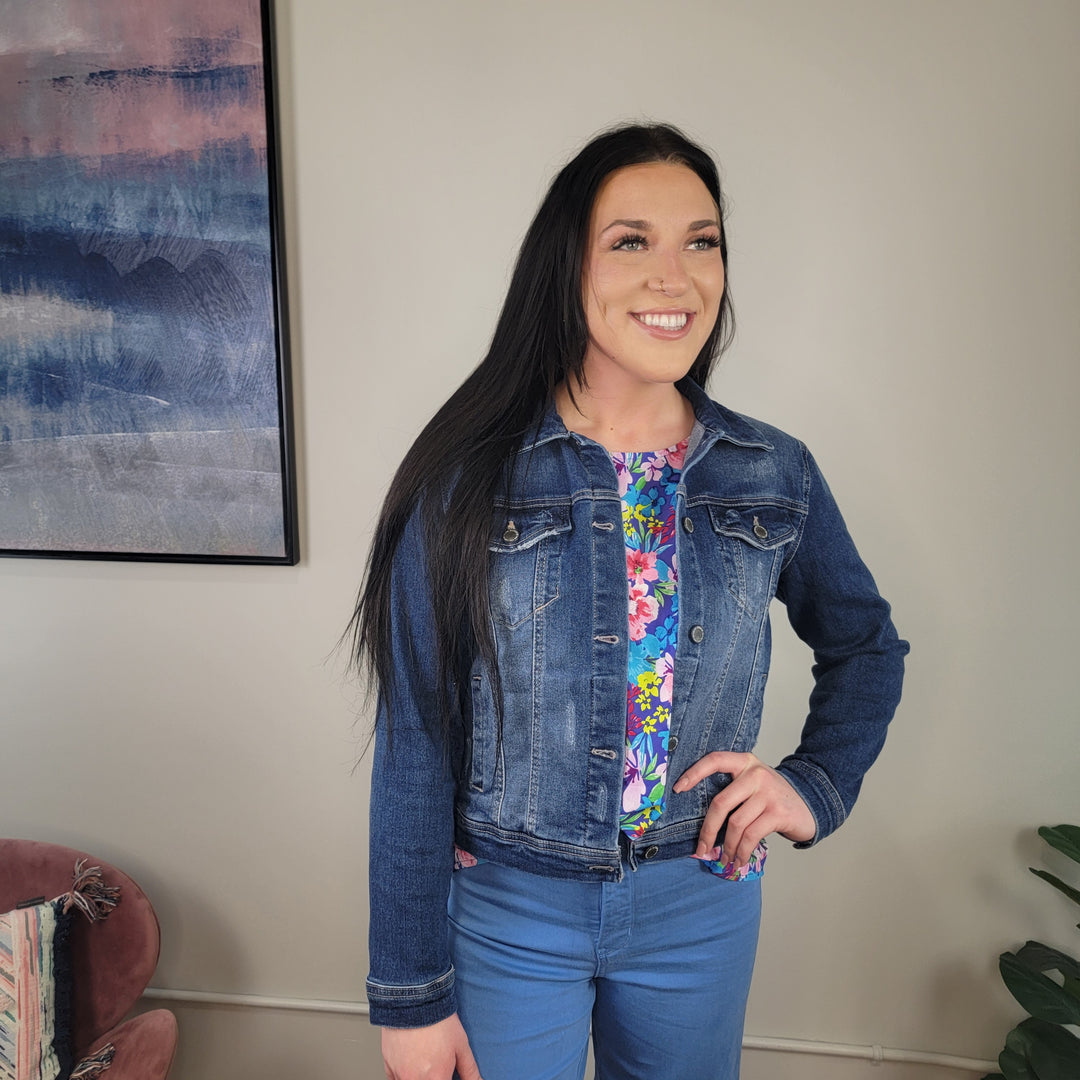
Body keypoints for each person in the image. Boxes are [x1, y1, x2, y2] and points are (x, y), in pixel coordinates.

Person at [349, 122, 908, 1080]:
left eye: (702, 241)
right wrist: (410, 996)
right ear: (567, 266)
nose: (674, 275)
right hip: (511, 913)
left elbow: (867, 647)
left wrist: (811, 789)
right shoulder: (466, 476)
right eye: (631, 241)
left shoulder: (770, 472)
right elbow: (416, 738)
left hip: (701, 901)